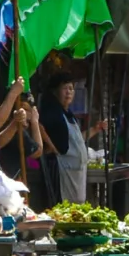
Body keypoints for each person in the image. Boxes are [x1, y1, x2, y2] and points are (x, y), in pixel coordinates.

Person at [36, 65, 91, 205]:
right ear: (55, 91)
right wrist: (53, 149)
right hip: (62, 173)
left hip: (76, 175)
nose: (69, 92)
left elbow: (76, 142)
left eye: (71, 88)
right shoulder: (52, 112)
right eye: (65, 88)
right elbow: (39, 127)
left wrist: (96, 129)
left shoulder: (69, 115)